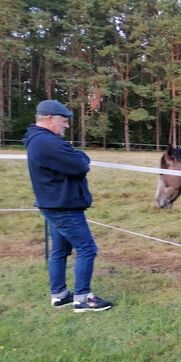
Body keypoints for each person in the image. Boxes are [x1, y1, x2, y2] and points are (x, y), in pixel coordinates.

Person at [23, 100, 113, 312]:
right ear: (49, 119)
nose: (66, 125)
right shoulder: (47, 142)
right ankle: (82, 298)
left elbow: (75, 160)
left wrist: (77, 155)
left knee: (60, 250)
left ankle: (60, 295)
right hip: (64, 207)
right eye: (63, 121)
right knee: (87, 249)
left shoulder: (40, 140)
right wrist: (80, 156)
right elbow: (80, 164)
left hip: (54, 204)